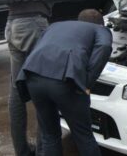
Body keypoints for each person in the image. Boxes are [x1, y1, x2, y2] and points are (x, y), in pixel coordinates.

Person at [2, 0, 127, 156]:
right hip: (31, 23)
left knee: (20, 91)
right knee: (45, 82)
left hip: (14, 23)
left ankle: (23, 150)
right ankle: (43, 150)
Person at [15, 9, 112, 156]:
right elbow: (104, 46)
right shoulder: (100, 29)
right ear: (101, 23)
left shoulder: (55, 26)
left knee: (49, 136)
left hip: (32, 77)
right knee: (83, 136)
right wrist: (86, 82)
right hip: (64, 81)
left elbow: (38, 48)